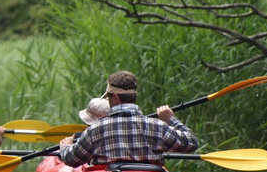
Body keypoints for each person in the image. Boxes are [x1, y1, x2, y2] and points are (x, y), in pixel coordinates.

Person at [58, 70, 199, 167]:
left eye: (108, 97)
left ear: (115, 97)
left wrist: (65, 146)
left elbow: (71, 160)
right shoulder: (159, 126)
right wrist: (171, 118)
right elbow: (191, 143)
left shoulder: (95, 129)